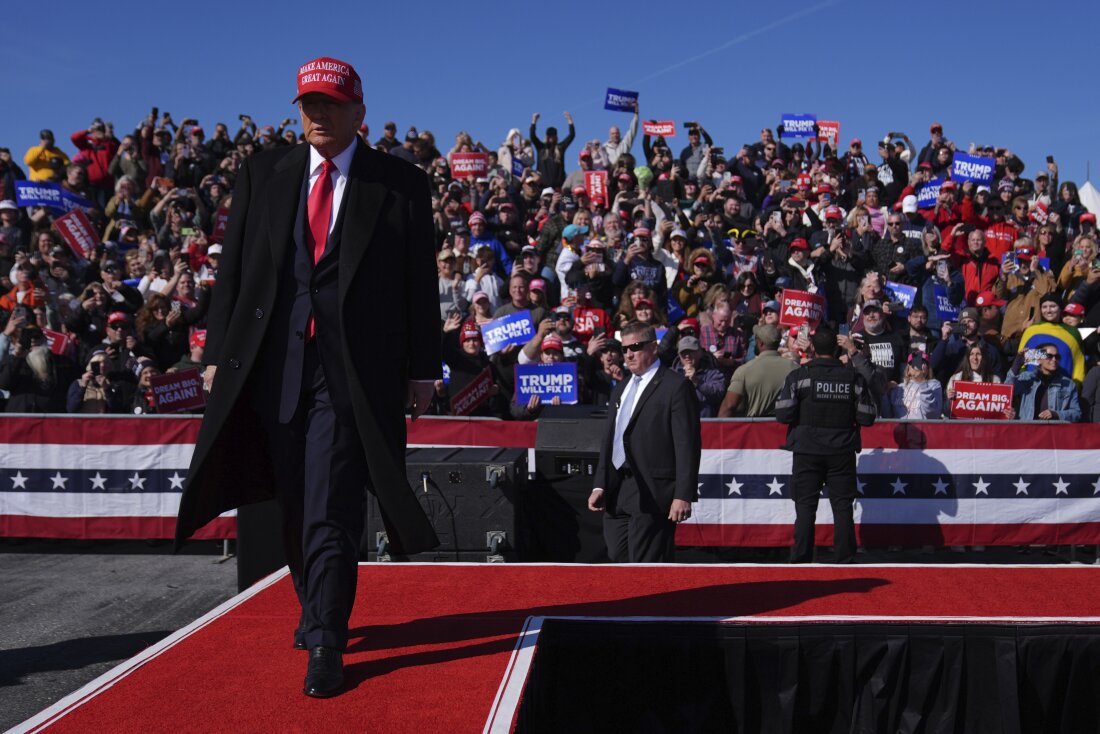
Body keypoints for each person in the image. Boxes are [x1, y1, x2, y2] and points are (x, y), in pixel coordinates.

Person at [175, 57, 440, 699]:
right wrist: (213, 352)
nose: (315, 114)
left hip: (353, 372)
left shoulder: (401, 184)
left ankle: (326, 636)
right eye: (306, 104)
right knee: (291, 497)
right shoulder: (265, 173)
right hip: (273, 364)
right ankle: (313, 602)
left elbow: (418, 284)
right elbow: (234, 268)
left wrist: (423, 369)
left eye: (329, 104)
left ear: (358, 113)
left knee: (331, 500)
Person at [587, 321, 701, 563]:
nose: (628, 354)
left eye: (636, 347)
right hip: (618, 488)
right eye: (624, 348)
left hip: (653, 490)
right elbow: (610, 439)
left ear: (653, 347)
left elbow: (687, 444)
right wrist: (600, 484)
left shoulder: (676, 386)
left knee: (646, 564)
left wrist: (683, 494)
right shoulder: (621, 389)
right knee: (618, 557)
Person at [775, 325, 877, 564]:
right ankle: (845, 559)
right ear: (836, 347)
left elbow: (783, 414)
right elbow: (867, 417)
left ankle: (800, 560)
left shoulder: (798, 377)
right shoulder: (854, 378)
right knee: (842, 507)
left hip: (807, 450)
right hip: (841, 451)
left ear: (812, 348)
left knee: (805, 507)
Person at [719, 323, 797, 417]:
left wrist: (721, 431)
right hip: (786, 429)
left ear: (760, 343)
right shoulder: (795, 369)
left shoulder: (744, 371)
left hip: (755, 429)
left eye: (756, 339)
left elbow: (728, 406)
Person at [1005, 343, 1082, 422]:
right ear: (1039, 359)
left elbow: (1076, 413)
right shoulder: (1027, 378)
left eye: (1057, 356)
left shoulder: (1068, 384)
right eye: (1049, 356)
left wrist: (1056, 414)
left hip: (1053, 432)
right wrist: (1017, 365)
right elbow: (1007, 391)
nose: (1054, 359)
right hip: (1028, 430)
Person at [886, 352, 943, 419]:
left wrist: (922, 381)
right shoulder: (899, 387)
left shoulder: (934, 385)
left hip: (922, 428)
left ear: (927, 369)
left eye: (922, 362)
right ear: (908, 369)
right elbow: (887, 415)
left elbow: (932, 413)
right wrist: (885, 392)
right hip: (900, 428)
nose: (917, 366)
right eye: (913, 363)